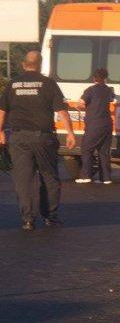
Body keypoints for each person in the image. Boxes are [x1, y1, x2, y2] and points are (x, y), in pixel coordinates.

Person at [0, 50, 75, 230]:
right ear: (40, 65)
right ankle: (50, 217)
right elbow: (62, 111)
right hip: (43, 137)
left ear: (24, 65)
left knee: (23, 180)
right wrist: (70, 133)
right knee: (49, 176)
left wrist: (0, 132)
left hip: (19, 138)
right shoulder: (48, 83)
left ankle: (27, 220)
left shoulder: (13, 84)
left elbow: (2, 111)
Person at [75, 68, 115, 184]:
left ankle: (85, 176)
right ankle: (105, 178)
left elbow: (81, 104)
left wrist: (78, 106)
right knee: (104, 151)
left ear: (94, 78)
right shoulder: (108, 90)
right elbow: (111, 99)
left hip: (94, 124)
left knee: (86, 149)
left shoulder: (90, 90)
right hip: (107, 124)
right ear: (105, 78)